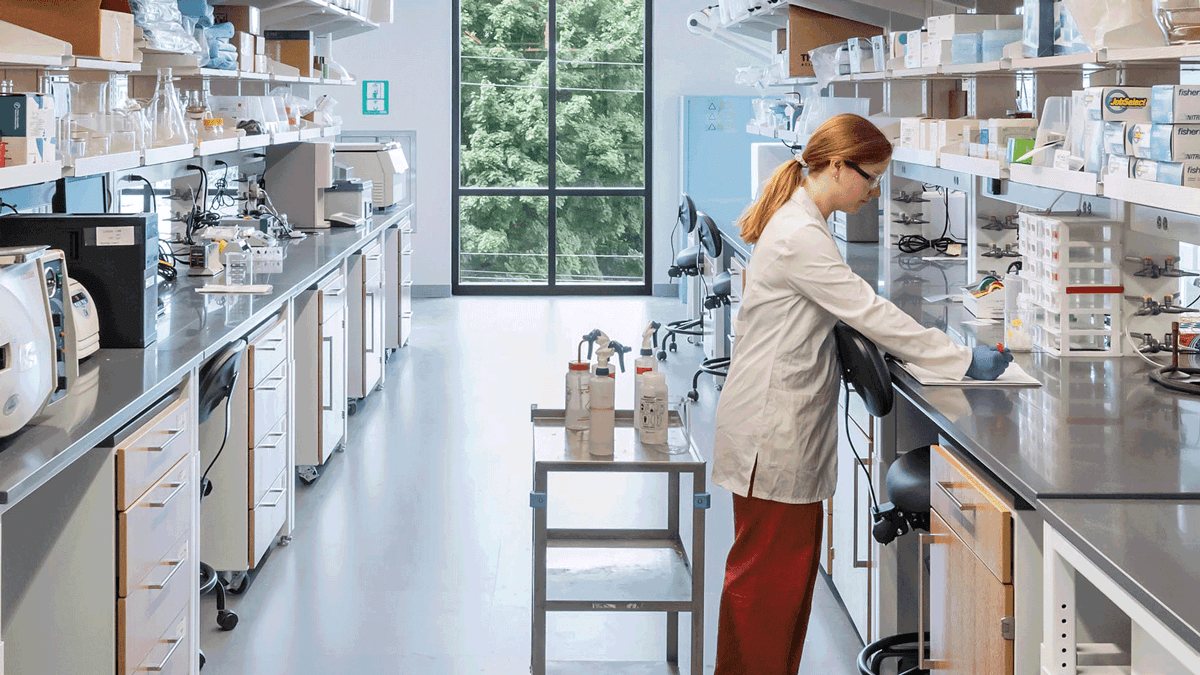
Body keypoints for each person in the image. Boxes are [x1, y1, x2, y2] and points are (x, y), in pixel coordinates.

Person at [711, 113, 1011, 674]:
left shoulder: (805, 218)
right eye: (869, 178)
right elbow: (867, 311)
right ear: (834, 166)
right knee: (767, 586)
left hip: (774, 426)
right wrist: (963, 358)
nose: (874, 192)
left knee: (777, 581)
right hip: (770, 434)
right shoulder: (802, 234)